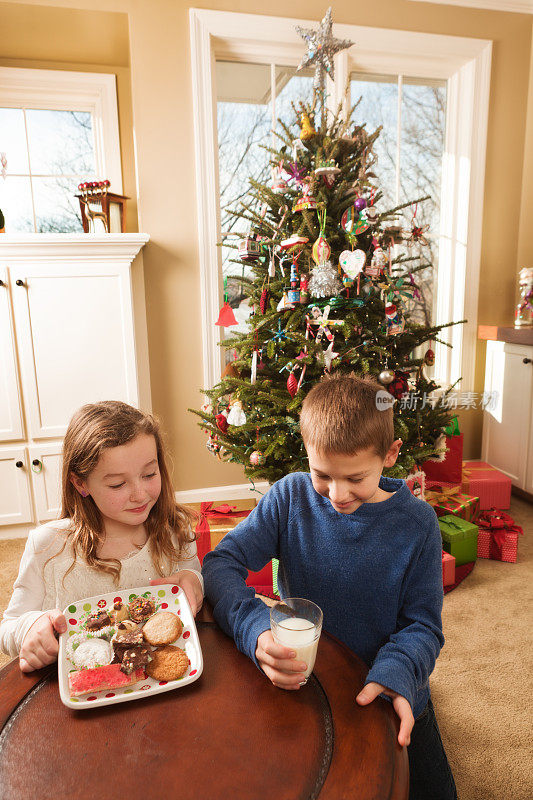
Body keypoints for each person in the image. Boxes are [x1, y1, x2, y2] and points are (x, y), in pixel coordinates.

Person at [203, 374, 457, 800]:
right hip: (306, 680)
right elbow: (220, 563)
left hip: (388, 683)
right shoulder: (289, 497)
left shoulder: (418, 526)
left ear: (391, 455)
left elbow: (423, 627)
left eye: (355, 477)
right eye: (322, 474)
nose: (336, 494)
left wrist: (398, 676)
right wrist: (254, 628)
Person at [0, 401, 203, 672]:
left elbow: (192, 581)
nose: (140, 494)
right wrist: (29, 628)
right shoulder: (47, 546)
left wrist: (194, 580)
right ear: (80, 483)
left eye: (149, 474)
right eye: (117, 484)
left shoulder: (175, 530)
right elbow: (9, 628)